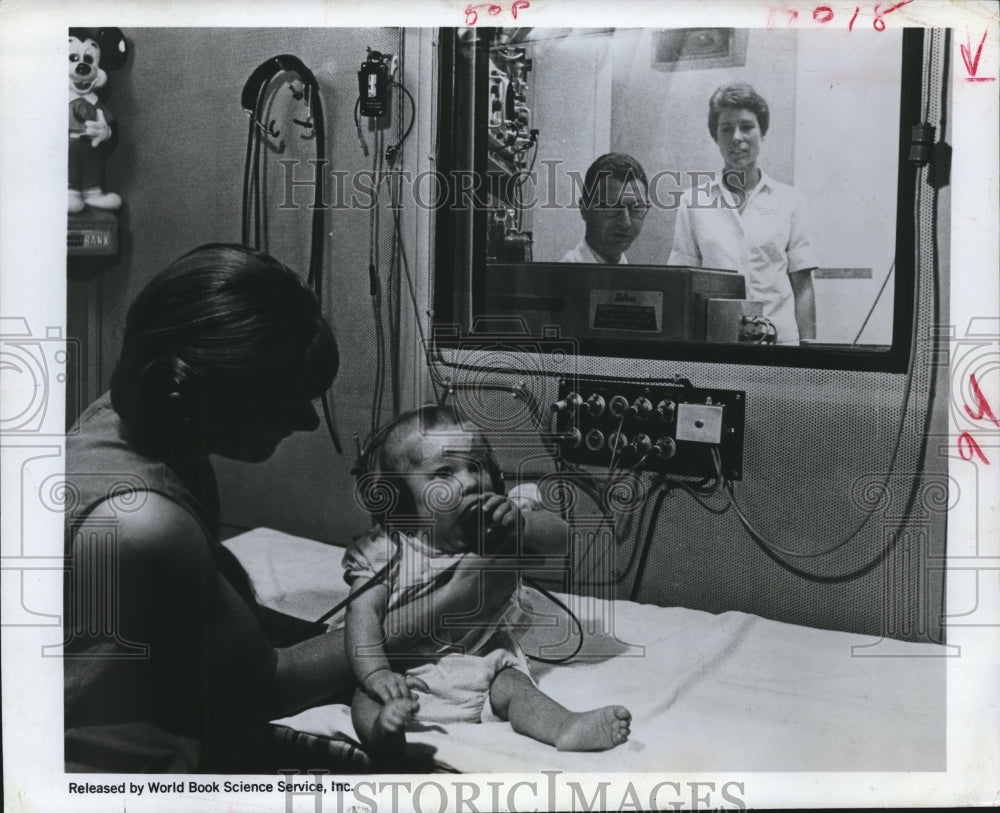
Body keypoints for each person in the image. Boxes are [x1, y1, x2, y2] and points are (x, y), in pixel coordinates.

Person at [63, 244, 466, 773]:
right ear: (194, 390)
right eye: (283, 399)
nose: (307, 423)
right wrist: (460, 599)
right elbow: (265, 687)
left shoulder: (131, 420)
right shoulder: (144, 521)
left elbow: (213, 621)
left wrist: (346, 630)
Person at [341, 405, 632, 762]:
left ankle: (565, 727)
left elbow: (561, 539)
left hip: (482, 663)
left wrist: (521, 524)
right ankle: (383, 735)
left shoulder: (499, 526)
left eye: (476, 467)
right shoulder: (386, 549)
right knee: (364, 698)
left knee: (515, 688)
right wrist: (377, 674)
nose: (468, 481)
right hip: (405, 673)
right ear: (401, 496)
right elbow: (362, 613)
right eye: (444, 472)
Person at [668, 83, 818, 345]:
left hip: (781, 346)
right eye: (726, 129)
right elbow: (681, 286)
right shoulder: (693, 202)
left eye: (747, 126)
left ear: (762, 132)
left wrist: (809, 351)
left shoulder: (791, 201)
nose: (737, 137)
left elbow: (802, 285)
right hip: (717, 345)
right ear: (716, 137)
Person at [561, 152, 650, 264]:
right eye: (612, 207)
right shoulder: (562, 276)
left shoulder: (636, 277)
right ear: (584, 209)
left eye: (636, 208)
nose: (625, 222)